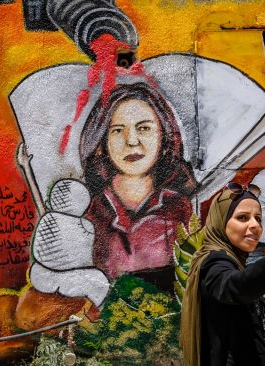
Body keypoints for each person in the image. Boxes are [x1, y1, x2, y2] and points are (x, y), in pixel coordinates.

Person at [79, 82, 197, 290]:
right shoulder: (90, 213)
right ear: (101, 144)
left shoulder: (179, 208)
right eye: (117, 130)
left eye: (144, 128)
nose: (132, 141)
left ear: (164, 137)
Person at [179, 183, 265, 366]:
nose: (255, 225)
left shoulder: (230, 261)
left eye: (258, 218)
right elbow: (233, 286)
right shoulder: (213, 263)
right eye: (242, 218)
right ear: (221, 222)